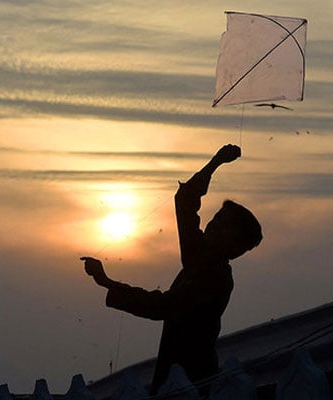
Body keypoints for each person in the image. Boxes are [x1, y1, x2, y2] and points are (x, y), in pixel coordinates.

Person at [81, 144, 262, 394]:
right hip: (173, 377)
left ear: (236, 243)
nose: (212, 223)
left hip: (191, 379)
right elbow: (186, 201)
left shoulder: (216, 277)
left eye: (222, 222)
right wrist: (216, 162)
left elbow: (163, 306)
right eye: (216, 217)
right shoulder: (199, 257)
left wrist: (108, 283)